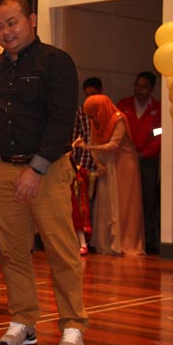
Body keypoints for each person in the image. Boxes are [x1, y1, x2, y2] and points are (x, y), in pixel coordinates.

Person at [0, 0, 89, 345]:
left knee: (61, 250)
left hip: (48, 169)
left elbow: (61, 121)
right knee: (14, 252)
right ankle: (24, 320)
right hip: (2, 170)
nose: (5, 32)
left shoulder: (56, 62)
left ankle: (72, 325)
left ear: (31, 20)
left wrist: (36, 168)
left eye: (12, 23)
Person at [73, 95, 145, 255]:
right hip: (106, 164)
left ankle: (125, 242)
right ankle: (107, 242)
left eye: (92, 114)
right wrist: (98, 164)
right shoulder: (95, 120)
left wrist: (87, 147)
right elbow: (95, 143)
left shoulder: (118, 119)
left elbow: (113, 145)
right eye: (89, 115)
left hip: (123, 165)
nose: (91, 118)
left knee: (124, 203)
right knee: (106, 202)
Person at [116, 71, 161, 254]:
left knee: (149, 199)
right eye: (137, 85)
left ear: (151, 89)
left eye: (143, 86)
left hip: (148, 160)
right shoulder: (123, 105)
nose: (139, 89)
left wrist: (145, 152)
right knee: (127, 200)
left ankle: (149, 240)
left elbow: (159, 134)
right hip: (126, 160)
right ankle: (127, 238)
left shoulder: (157, 108)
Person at [71, 77, 103, 255]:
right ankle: (83, 241)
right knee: (82, 204)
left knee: (99, 205)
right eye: (87, 95)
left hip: (100, 165)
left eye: (93, 94)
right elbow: (75, 137)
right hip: (82, 164)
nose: (89, 98)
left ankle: (97, 239)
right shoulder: (80, 113)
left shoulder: (106, 112)